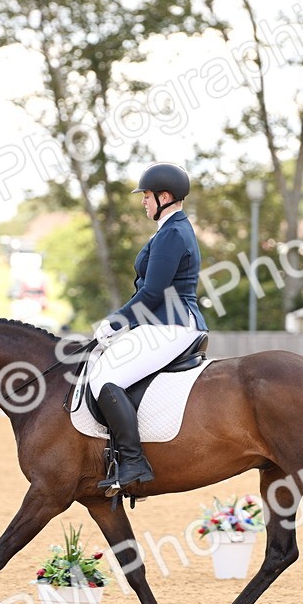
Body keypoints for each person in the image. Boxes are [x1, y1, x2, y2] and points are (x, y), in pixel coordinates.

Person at [88, 162, 208, 492]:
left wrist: (116, 321)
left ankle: (133, 461)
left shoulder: (172, 233)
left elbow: (153, 292)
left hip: (172, 324)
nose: (143, 201)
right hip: (160, 323)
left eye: (146, 196)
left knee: (106, 379)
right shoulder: (170, 229)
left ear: (164, 196)